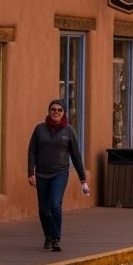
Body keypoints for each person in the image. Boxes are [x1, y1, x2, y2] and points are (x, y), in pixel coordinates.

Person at [26, 99, 88, 252]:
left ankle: (56, 239)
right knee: (43, 209)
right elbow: (32, 151)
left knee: (55, 205)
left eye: (59, 110)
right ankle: (48, 235)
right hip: (41, 173)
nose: (56, 112)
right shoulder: (39, 129)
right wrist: (30, 172)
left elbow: (76, 155)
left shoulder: (68, 130)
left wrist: (83, 179)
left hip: (60, 172)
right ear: (49, 111)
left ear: (63, 113)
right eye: (53, 109)